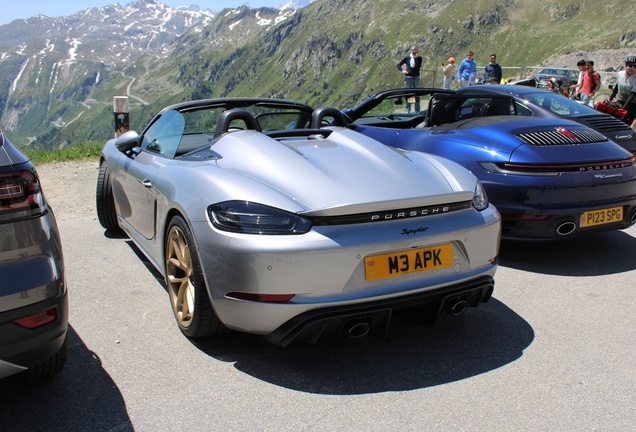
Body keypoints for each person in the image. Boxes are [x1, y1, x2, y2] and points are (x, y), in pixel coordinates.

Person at [609, 56, 636, 126]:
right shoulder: (620, 74)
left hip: (632, 104)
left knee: (626, 125)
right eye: (630, 65)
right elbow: (617, 87)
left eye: (635, 66)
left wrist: (622, 110)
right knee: (615, 123)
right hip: (620, 101)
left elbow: (632, 95)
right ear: (625, 65)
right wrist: (610, 97)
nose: (632, 68)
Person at [397, 45, 422, 111]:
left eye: (416, 51)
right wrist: (403, 70)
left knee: (417, 94)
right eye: (414, 50)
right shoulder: (407, 58)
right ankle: (408, 110)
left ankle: (417, 110)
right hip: (408, 78)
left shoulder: (419, 58)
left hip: (416, 77)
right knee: (408, 94)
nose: (415, 52)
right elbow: (399, 65)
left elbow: (418, 67)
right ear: (411, 51)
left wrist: (416, 59)